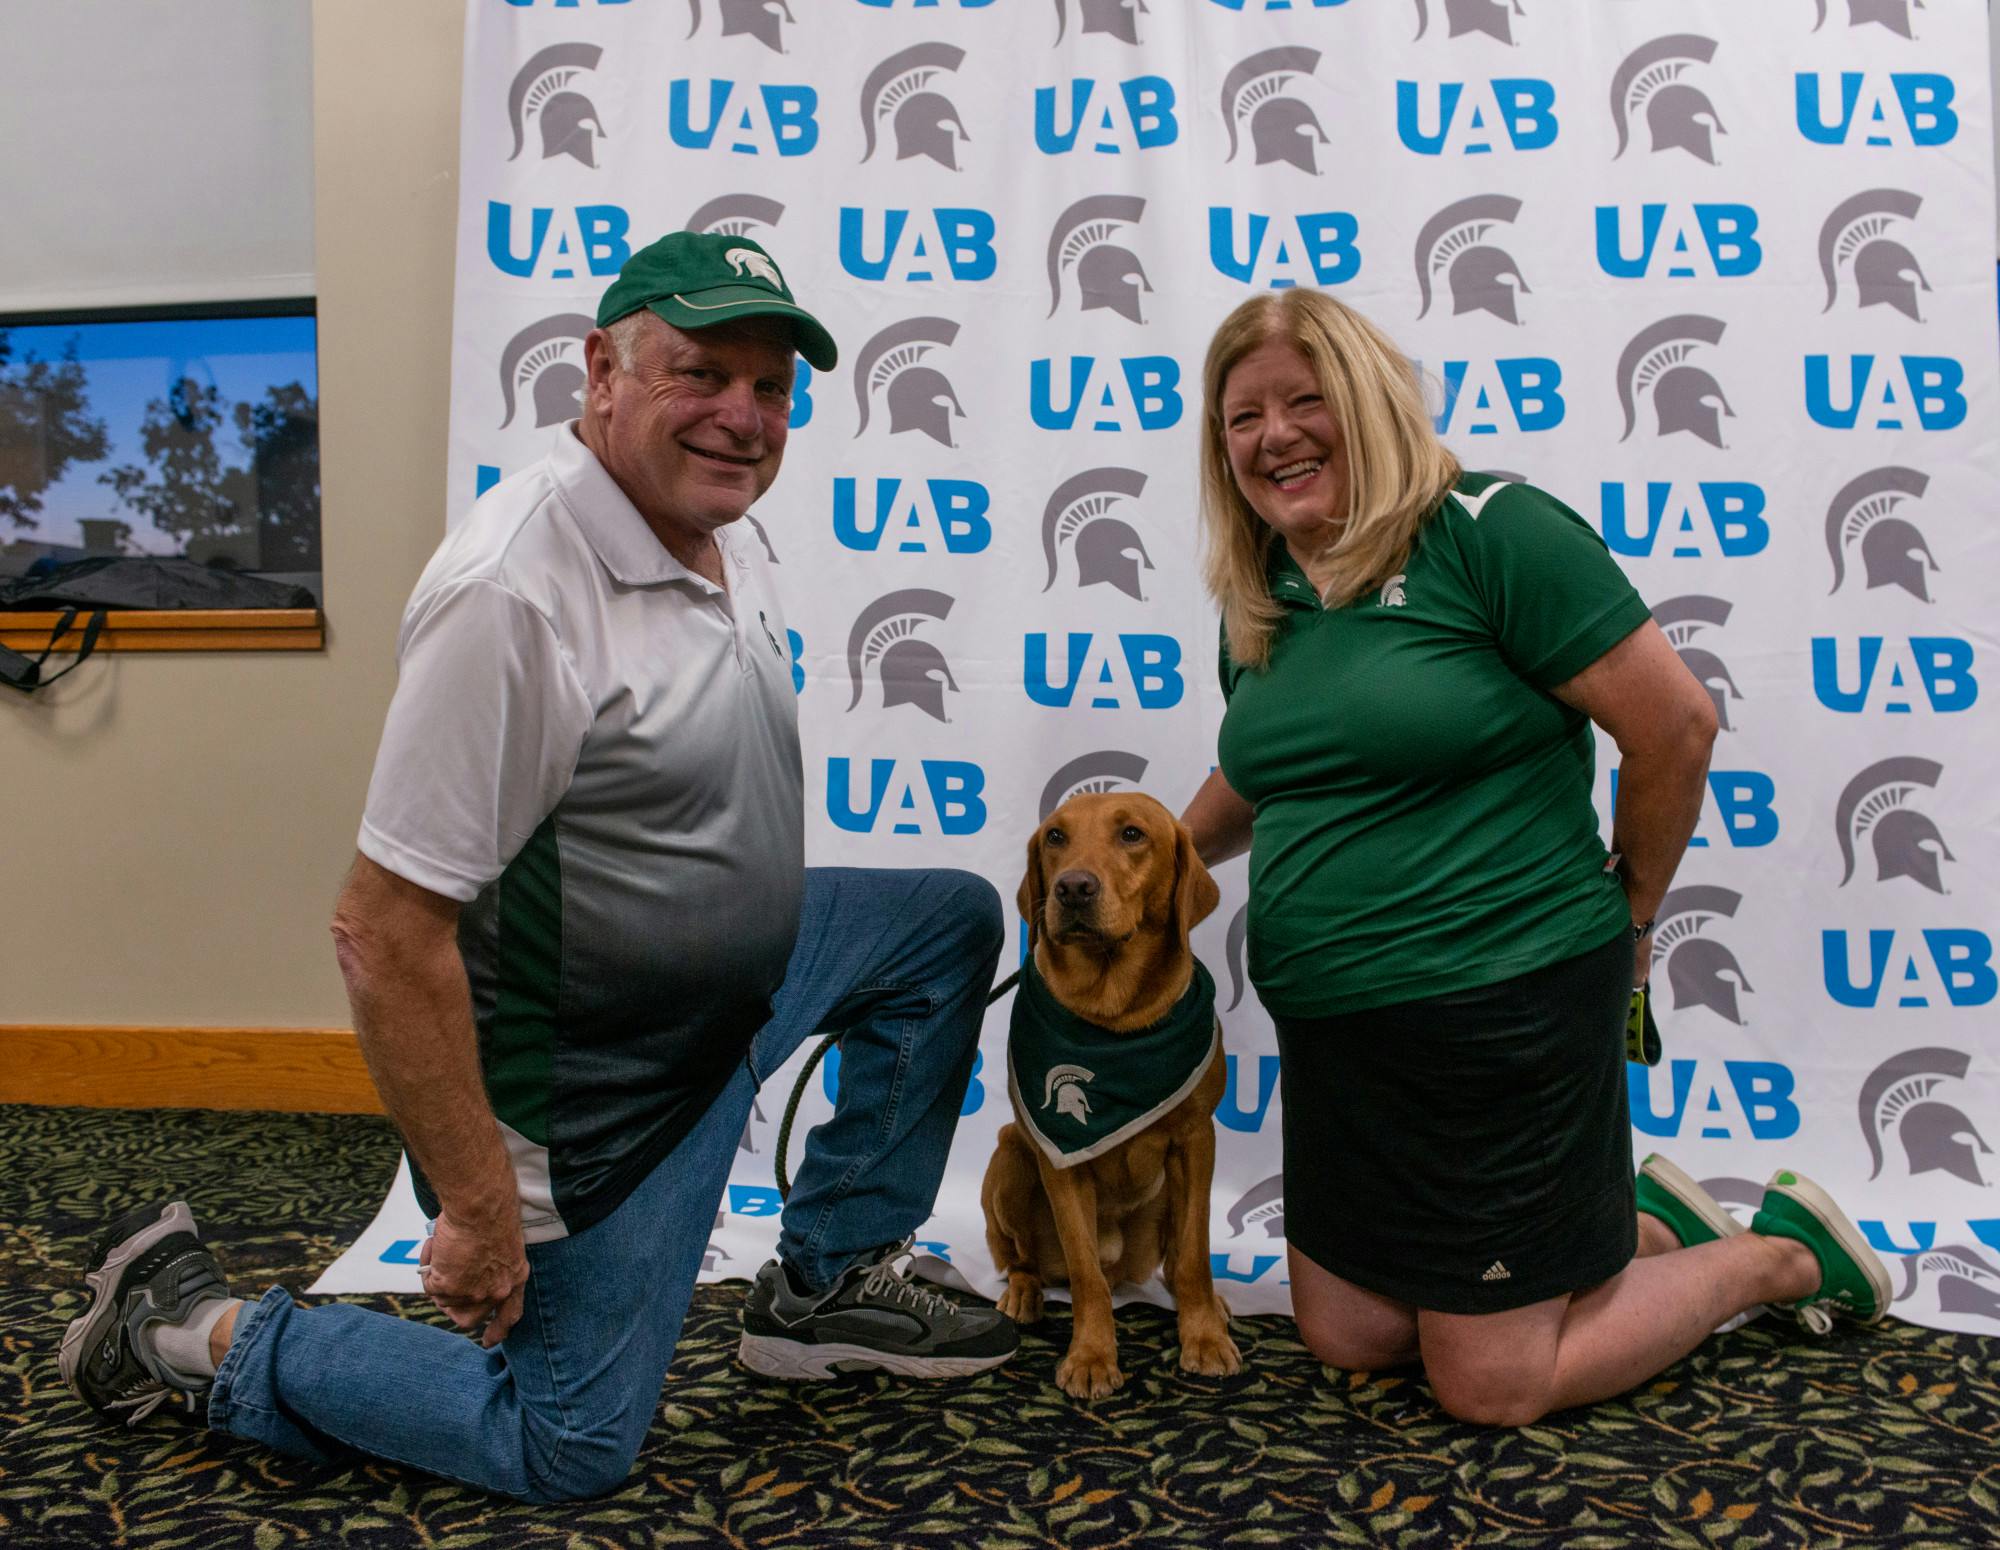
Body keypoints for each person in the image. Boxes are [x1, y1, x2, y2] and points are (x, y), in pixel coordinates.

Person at [59, 231, 1016, 1499]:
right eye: (700, 372)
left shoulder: (718, 528)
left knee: (942, 920)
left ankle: (826, 1281)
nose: (741, 415)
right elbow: (382, 931)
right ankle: (188, 1325)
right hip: (604, 1103)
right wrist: (472, 1207)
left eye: (769, 387)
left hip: (735, 987)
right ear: (600, 371)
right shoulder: (512, 593)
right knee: (562, 1443)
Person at [1178, 288, 1891, 1427]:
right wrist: (1143, 858)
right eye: (1242, 416)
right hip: (1335, 1029)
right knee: (1350, 1335)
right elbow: (1270, 773)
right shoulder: (1259, 596)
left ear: (1369, 399)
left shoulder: (1490, 530)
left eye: (1305, 400)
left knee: (1489, 1384)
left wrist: (1635, 907)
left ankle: (1778, 1257)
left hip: (1494, 1005)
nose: (1274, 436)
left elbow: (1673, 724)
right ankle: (1643, 1224)